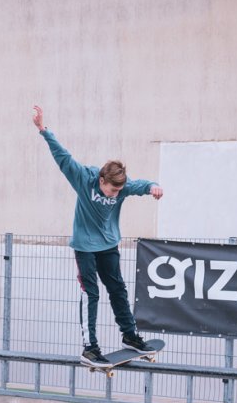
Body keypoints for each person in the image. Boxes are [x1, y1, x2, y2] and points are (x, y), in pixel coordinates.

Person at [32, 104, 164, 366]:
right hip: (84, 247)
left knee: (117, 289)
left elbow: (139, 185)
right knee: (90, 293)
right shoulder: (84, 178)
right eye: (112, 191)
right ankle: (90, 347)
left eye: (118, 192)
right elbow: (63, 157)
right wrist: (43, 130)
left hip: (108, 245)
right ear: (102, 180)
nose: (115, 195)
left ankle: (129, 335)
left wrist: (153, 187)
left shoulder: (122, 187)